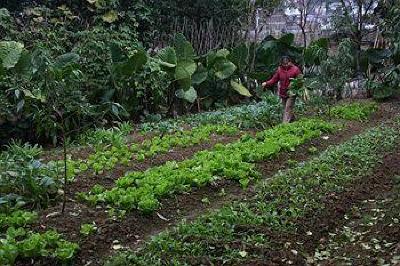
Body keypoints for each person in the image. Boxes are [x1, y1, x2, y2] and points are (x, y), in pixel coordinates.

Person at [262, 56, 301, 123]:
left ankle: (284, 125)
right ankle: (293, 120)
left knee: (288, 108)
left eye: (287, 63)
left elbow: (300, 80)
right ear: (281, 63)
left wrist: (295, 85)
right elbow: (274, 79)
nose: (285, 65)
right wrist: (266, 83)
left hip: (292, 93)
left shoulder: (295, 69)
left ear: (290, 62)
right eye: (284, 64)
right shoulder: (279, 70)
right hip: (283, 93)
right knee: (287, 108)